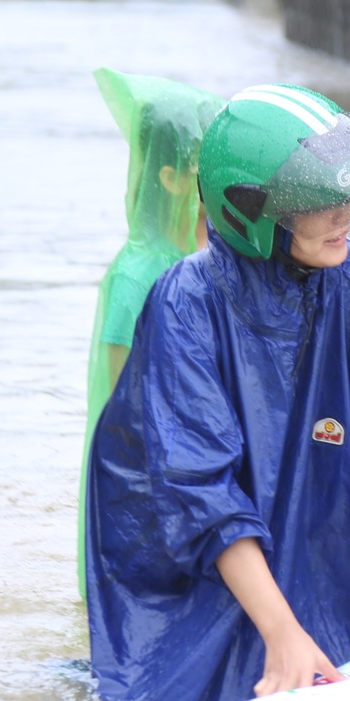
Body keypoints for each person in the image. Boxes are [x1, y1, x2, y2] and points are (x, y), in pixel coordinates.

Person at [84, 84, 350, 701]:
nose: (345, 213)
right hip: (197, 570)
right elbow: (200, 492)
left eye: (346, 194)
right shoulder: (187, 303)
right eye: (317, 200)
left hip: (316, 556)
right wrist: (281, 634)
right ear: (250, 210)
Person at [77, 69, 224, 597]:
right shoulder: (137, 276)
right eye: (206, 169)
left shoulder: (198, 261)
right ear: (170, 178)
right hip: (144, 496)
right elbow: (125, 411)